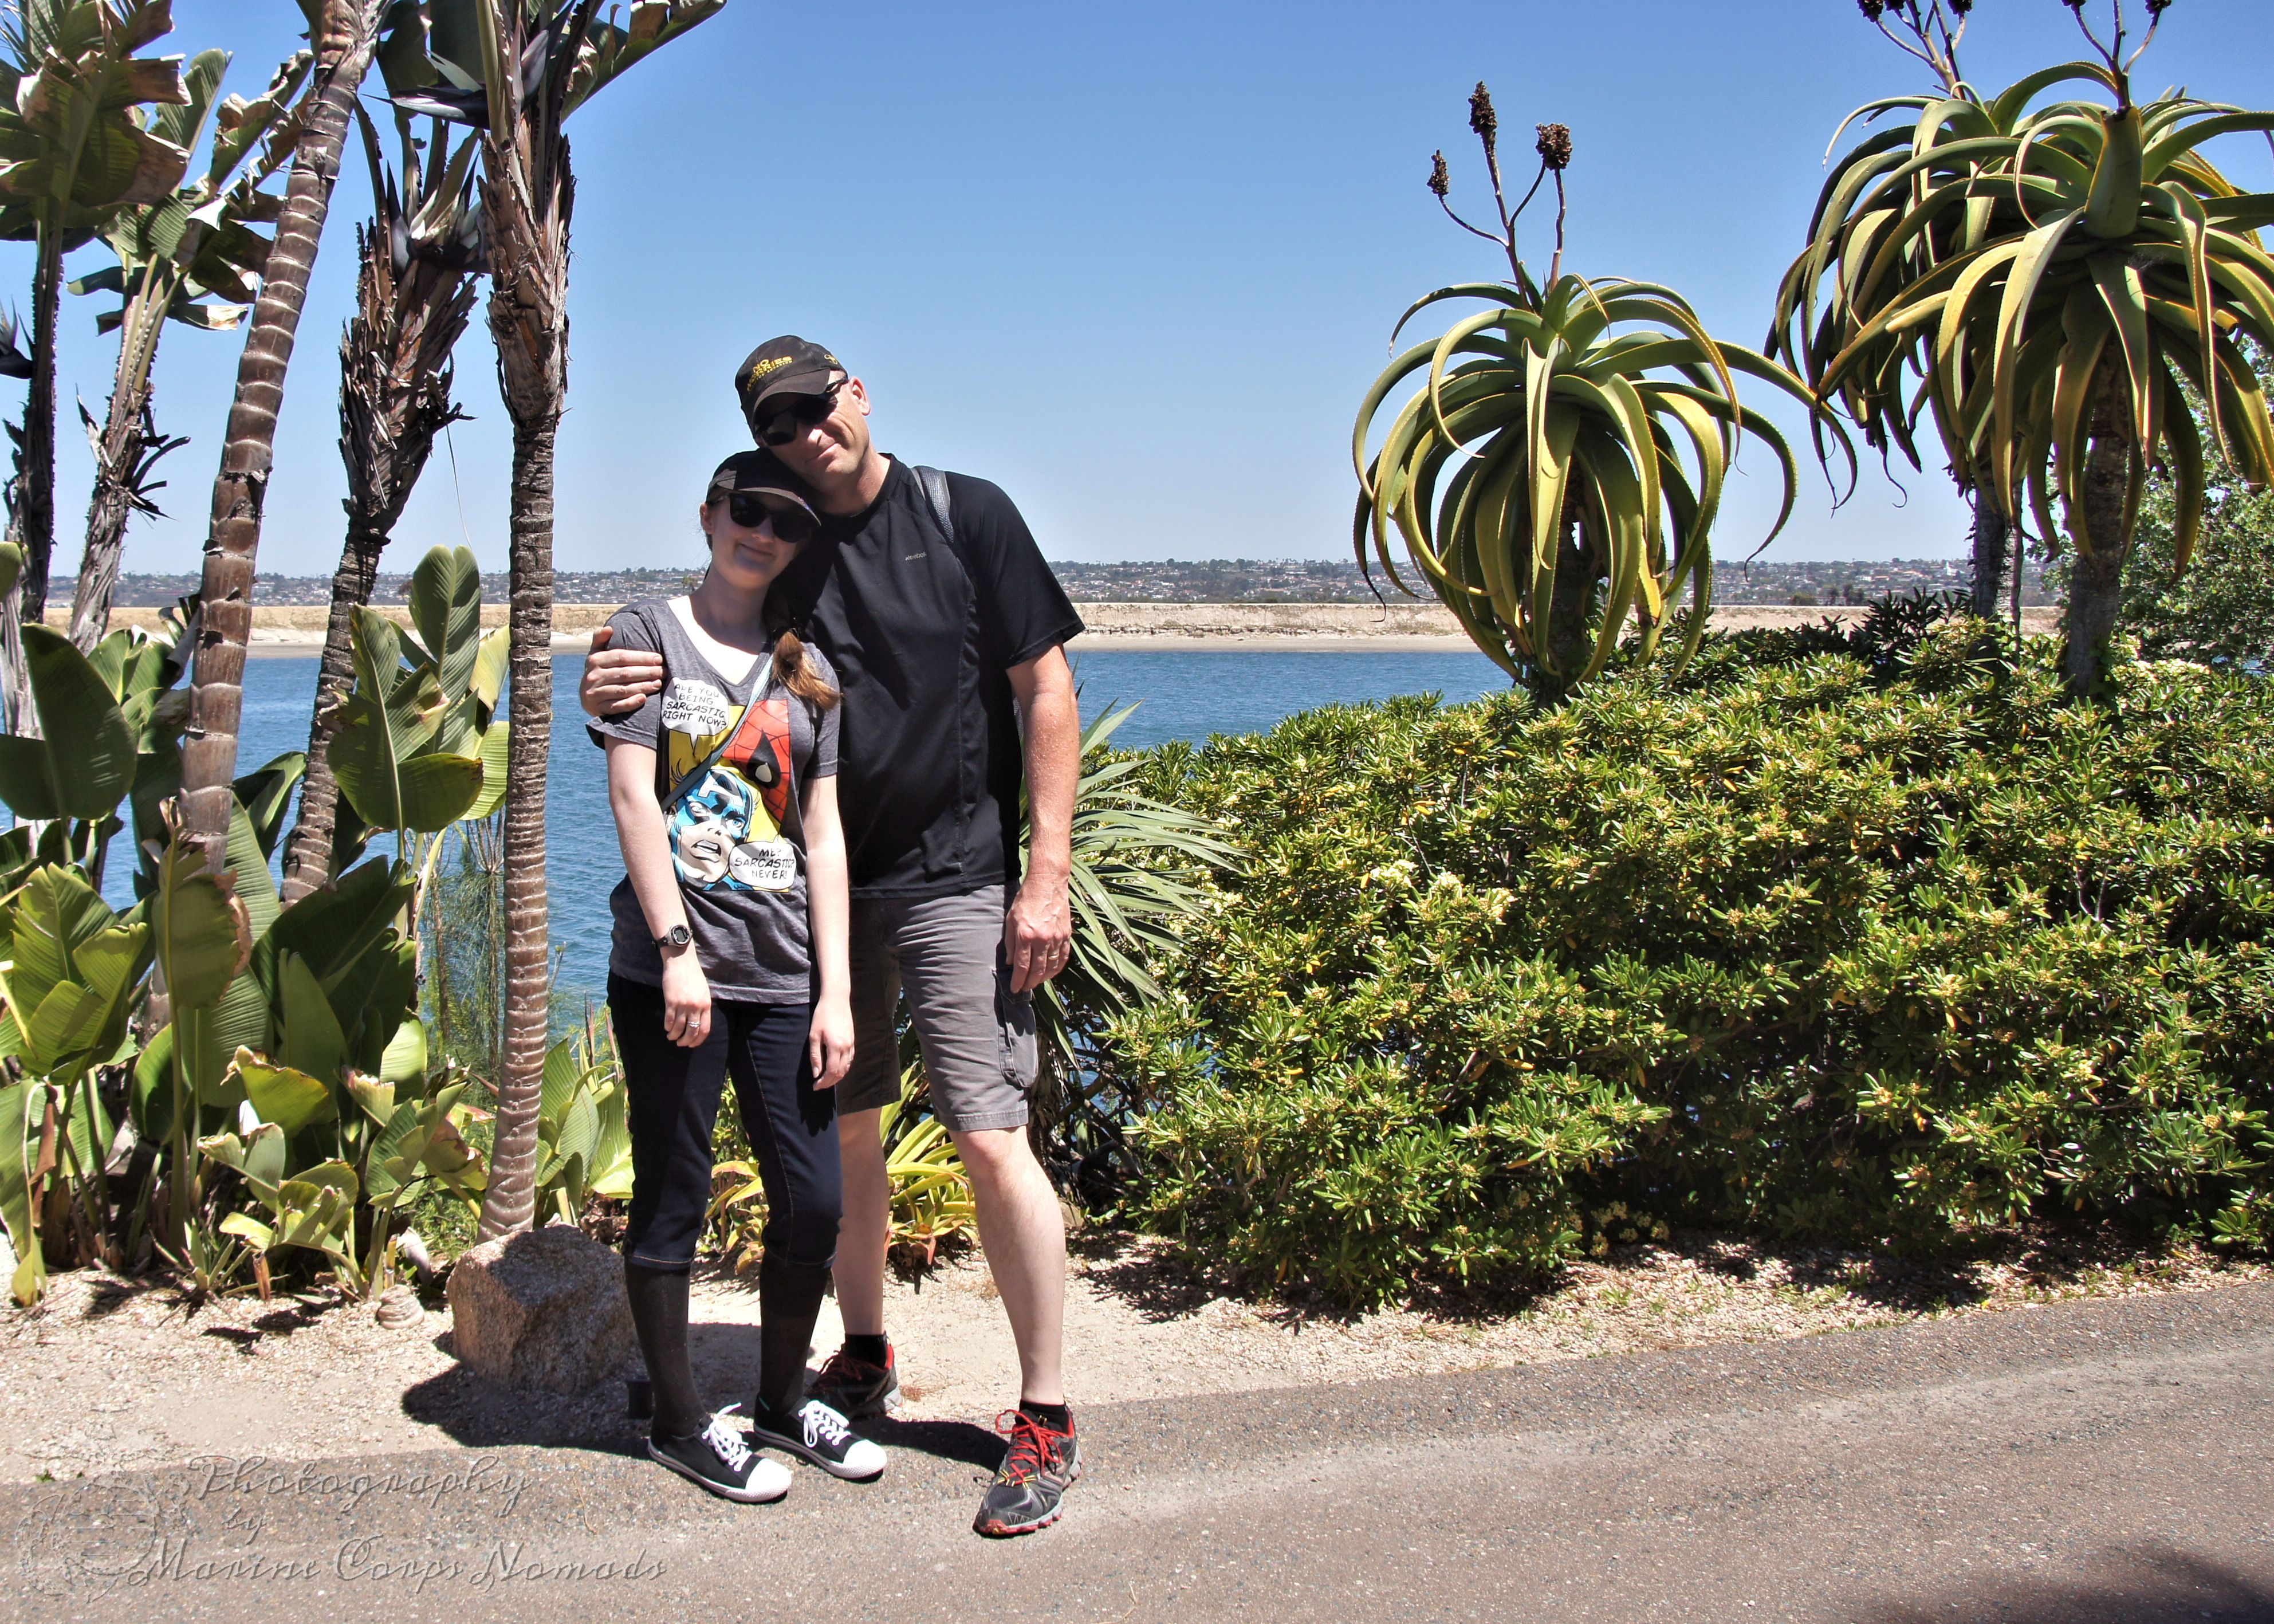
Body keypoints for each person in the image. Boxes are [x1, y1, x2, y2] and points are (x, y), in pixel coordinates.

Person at [583, 336, 1085, 1537]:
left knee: (984, 1127)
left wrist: (1045, 875)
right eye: (778, 426)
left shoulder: (966, 515)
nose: (806, 437)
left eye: (816, 409)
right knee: (846, 1128)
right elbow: (693, 658)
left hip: (957, 874)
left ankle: (1046, 1412)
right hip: (815, 898)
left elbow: (1047, 689)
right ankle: (859, 1353)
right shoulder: (786, 540)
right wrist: (610, 680)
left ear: (856, 393)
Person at [594, 447, 887, 1503]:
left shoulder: (811, 672)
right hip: (674, 974)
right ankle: (678, 1424)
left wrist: (838, 990)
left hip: (784, 976)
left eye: (788, 522)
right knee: (671, 1198)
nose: (764, 532)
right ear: (709, 515)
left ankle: (776, 1402)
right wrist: (676, 954)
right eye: (748, 511)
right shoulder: (643, 636)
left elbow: (822, 836)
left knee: (814, 1202)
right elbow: (633, 800)